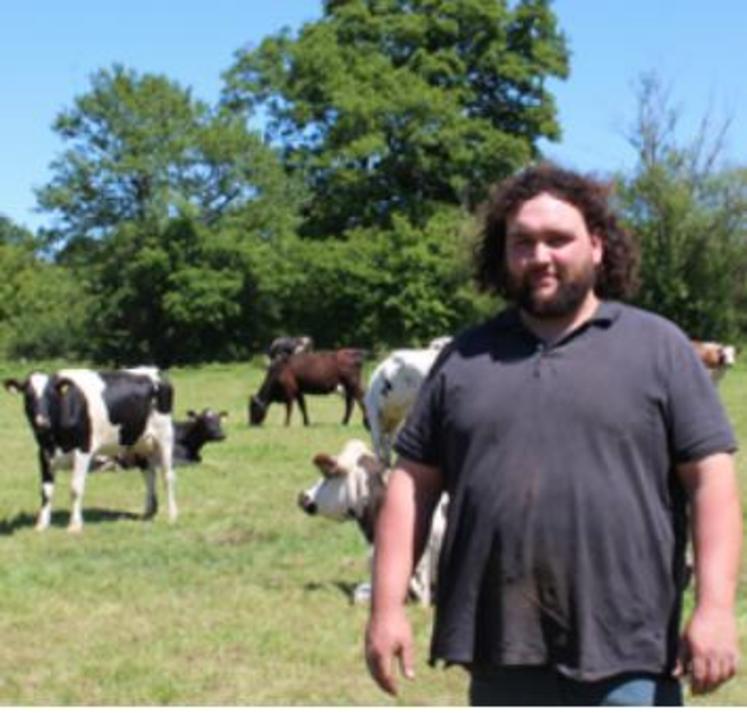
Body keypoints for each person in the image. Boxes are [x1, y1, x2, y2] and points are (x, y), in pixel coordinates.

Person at [364, 163, 742, 706]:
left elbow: (711, 482)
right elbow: (411, 487)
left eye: (558, 240)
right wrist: (386, 608)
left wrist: (713, 609)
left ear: (597, 246)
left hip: (630, 655)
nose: (540, 256)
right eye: (523, 242)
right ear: (504, 253)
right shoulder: (464, 359)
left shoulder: (658, 348)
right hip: (501, 653)